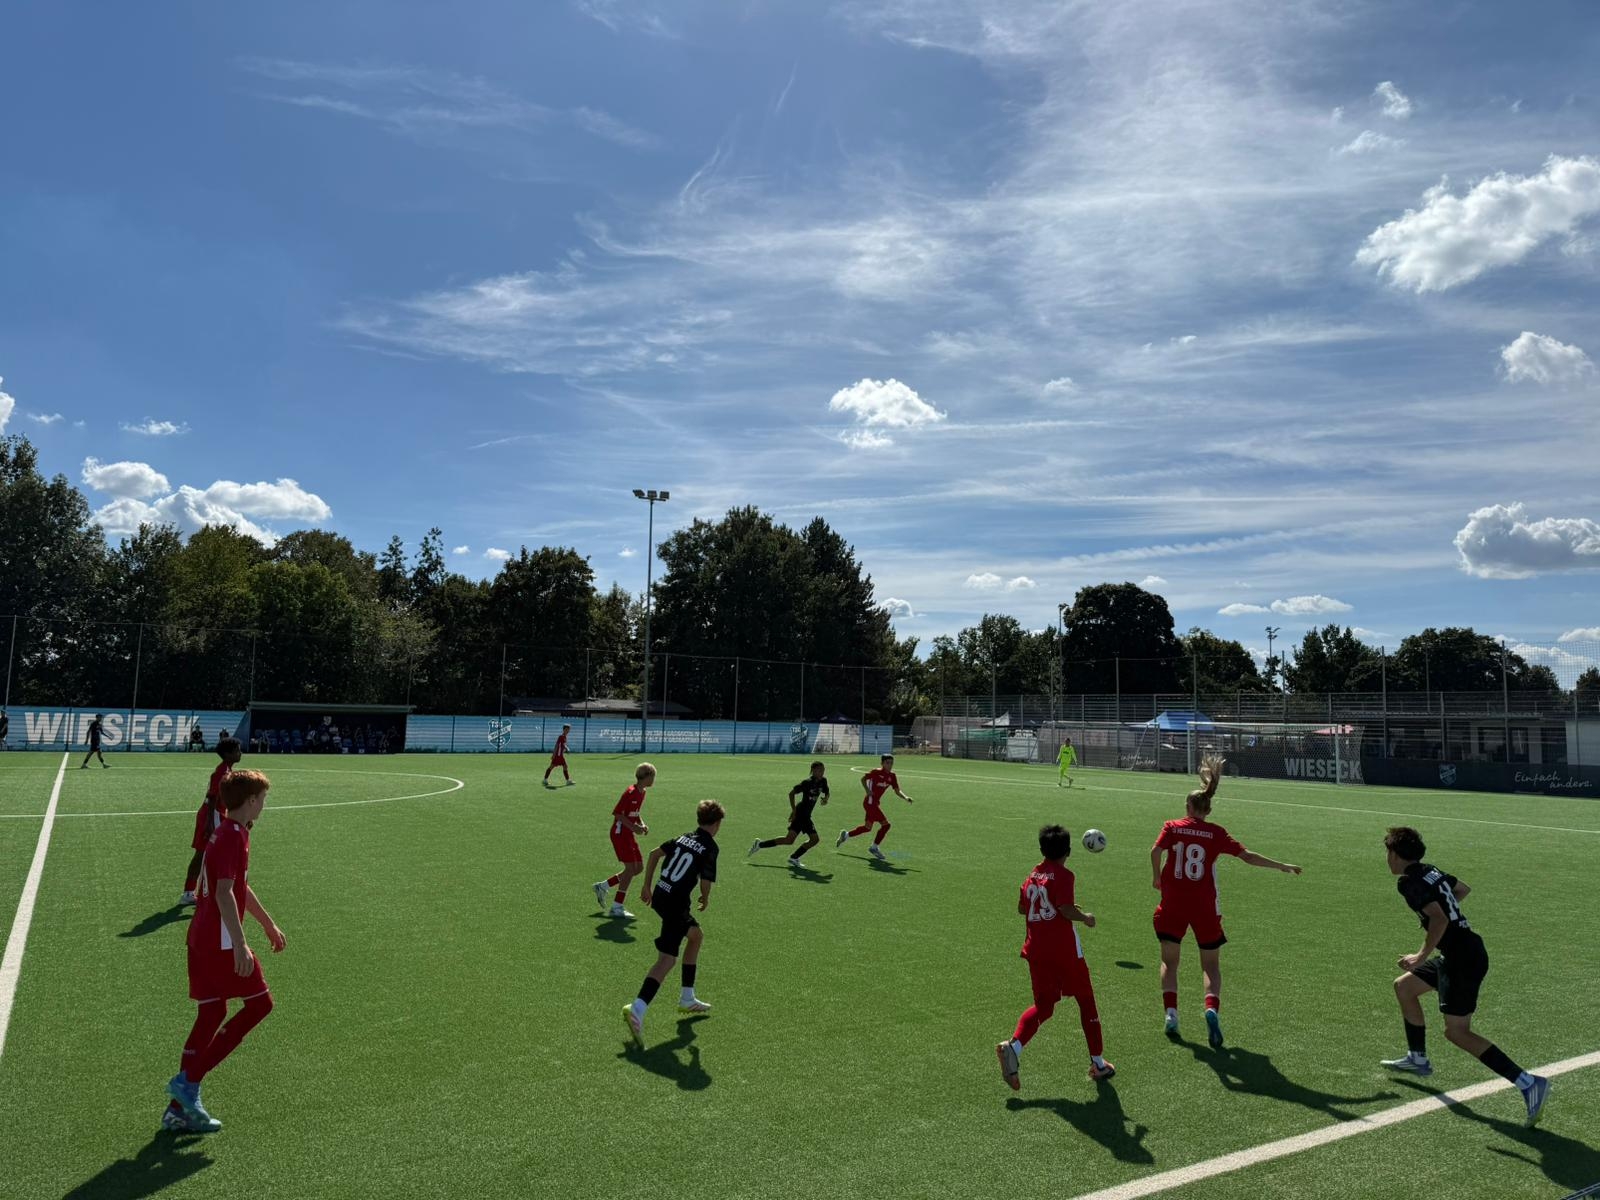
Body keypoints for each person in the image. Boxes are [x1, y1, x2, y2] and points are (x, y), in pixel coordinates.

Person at [1379, 826, 1549, 1126]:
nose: (1386, 859)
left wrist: (1420, 955)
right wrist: (1445, 922)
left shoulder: (1408, 882)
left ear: (1394, 854)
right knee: (1405, 988)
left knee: (1457, 1032)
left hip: (1463, 960)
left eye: (1387, 852)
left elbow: (1438, 918)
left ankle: (1528, 1083)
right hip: (1460, 953)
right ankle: (1417, 1058)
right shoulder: (1430, 871)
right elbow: (1462, 890)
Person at [163, 768, 286, 1133]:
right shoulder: (233, 836)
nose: (264, 805)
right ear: (251, 801)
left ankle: (177, 1111)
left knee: (212, 1012)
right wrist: (240, 944)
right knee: (260, 1005)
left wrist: (267, 924)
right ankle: (188, 1082)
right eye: (263, 799)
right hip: (219, 941)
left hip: (199, 938)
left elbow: (239, 887)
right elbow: (223, 893)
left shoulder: (228, 831)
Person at [1150, 755, 1301, 1047]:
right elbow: (1248, 857)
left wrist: (1157, 877)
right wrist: (1281, 865)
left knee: (1169, 962)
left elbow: (1155, 851)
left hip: (1172, 904)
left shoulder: (1172, 827)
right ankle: (1210, 1009)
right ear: (1208, 809)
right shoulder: (1216, 833)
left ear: (1187, 807)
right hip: (1204, 906)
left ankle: (1171, 1015)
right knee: (1210, 966)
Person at [996, 824, 1114, 1091]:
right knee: (1086, 1000)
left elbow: (1022, 908)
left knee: (1045, 1006)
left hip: (1036, 951)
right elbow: (1064, 909)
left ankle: (1013, 1046)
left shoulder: (1031, 876)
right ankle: (1098, 1063)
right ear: (1068, 851)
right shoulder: (1064, 875)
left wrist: (1058, 906)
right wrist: (1085, 917)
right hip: (1064, 952)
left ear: (1042, 849)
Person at [623, 799, 724, 1047]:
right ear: (716, 824)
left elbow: (653, 854)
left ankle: (687, 997)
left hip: (661, 895)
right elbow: (706, 881)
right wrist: (705, 897)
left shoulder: (684, 837)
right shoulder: (710, 847)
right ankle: (637, 1008)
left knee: (695, 936)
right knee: (667, 960)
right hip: (675, 904)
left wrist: (647, 886)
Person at [182, 738, 243, 906]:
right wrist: (209, 822)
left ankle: (193, 892)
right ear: (228, 754)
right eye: (237, 750)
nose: (240, 753)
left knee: (206, 854)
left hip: (216, 815)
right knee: (207, 854)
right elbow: (212, 798)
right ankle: (197, 892)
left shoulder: (226, 770)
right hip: (212, 816)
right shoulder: (222, 772)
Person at [593, 763, 656, 919]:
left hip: (628, 834)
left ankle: (603, 886)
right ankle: (617, 907)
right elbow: (618, 814)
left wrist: (641, 824)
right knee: (630, 869)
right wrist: (634, 827)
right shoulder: (630, 792)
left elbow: (635, 812)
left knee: (638, 868)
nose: (654, 779)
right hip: (620, 834)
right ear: (646, 776)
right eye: (653, 776)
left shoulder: (642, 792)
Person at [748, 761, 829, 866]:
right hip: (801, 815)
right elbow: (791, 794)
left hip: (805, 815)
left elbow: (827, 792)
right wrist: (794, 811)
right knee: (814, 839)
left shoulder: (823, 781)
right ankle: (794, 857)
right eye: (819, 770)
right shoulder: (807, 783)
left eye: (823, 770)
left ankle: (760, 844)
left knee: (789, 840)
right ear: (813, 771)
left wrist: (826, 798)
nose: (822, 772)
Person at [836, 753, 912, 860]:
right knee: (886, 825)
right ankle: (874, 847)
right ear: (882, 763)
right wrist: (867, 790)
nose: (890, 765)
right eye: (887, 763)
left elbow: (897, 790)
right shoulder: (876, 772)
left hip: (874, 804)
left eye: (891, 763)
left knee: (867, 828)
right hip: (870, 803)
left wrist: (906, 797)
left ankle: (846, 835)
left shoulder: (892, 776)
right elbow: (863, 779)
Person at [544, 723, 574, 788]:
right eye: (567, 729)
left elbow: (563, 745)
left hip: (560, 755)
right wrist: (553, 754)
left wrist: (566, 749)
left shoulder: (564, 737)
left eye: (568, 730)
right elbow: (557, 745)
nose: (568, 731)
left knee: (560, 766)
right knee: (554, 766)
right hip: (558, 755)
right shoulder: (561, 737)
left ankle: (545, 779)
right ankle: (567, 781)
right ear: (564, 730)